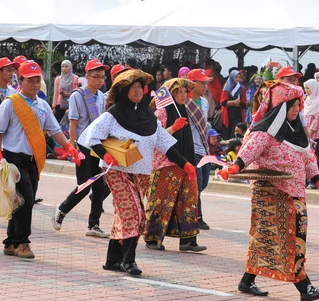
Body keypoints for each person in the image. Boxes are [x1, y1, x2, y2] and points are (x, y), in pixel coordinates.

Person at [218, 82, 319, 301]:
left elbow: (308, 158)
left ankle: (247, 280)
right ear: (281, 107)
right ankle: (304, 286)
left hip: (295, 191)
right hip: (270, 191)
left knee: (270, 236)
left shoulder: (297, 131)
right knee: (287, 237)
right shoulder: (266, 131)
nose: (297, 109)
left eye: (299, 104)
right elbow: (249, 151)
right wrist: (234, 167)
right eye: (292, 105)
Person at [78, 69, 195, 276]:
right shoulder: (112, 114)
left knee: (124, 214)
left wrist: (185, 164)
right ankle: (128, 260)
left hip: (141, 174)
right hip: (118, 172)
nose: (138, 91)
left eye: (140, 87)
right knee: (136, 214)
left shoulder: (148, 115)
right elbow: (91, 137)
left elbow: (164, 144)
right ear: (123, 90)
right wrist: (105, 156)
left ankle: (112, 260)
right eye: (133, 87)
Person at [0, 61, 81, 258]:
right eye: (30, 80)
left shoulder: (42, 105)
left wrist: (68, 147)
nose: (34, 84)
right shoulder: (10, 103)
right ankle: (23, 242)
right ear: (20, 80)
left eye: (37, 80)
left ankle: (10, 242)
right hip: (13, 159)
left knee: (21, 200)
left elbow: (54, 130)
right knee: (27, 199)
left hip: (34, 159)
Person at [145, 78, 206, 251]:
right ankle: (152, 238)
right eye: (179, 92)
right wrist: (173, 128)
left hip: (186, 162)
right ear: (171, 94)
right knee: (161, 202)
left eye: (185, 92)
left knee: (189, 201)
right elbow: (154, 137)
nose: (183, 95)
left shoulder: (184, 110)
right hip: (165, 163)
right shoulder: (162, 112)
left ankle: (188, 241)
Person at [52, 59, 111, 237]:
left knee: (99, 186)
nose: (100, 80)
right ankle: (62, 209)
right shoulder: (78, 95)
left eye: (102, 77)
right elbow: (74, 122)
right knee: (84, 185)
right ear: (87, 76)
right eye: (96, 76)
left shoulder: (101, 97)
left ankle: (93, 225)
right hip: (82, 146)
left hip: (96, 146)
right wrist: (73, 146)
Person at [187, 69, 213, 230]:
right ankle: (197, 216)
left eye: (206, 82)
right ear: (192, 83)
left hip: (203, 148)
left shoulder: (204, 102)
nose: (205, 85)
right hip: (190, 149)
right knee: (196, 184)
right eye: (201, 82)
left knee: (203, 183)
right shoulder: (185, 101)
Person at [303, 79, 319, 172]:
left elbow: (318, 120)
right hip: (306, 134)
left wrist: (309, 133)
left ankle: (315, 178)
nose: (306, 91)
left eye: (308, 88)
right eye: (305, 88)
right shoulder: (308, 100)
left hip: (314, 135)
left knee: (314, 157)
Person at [220, 70, 246, 138]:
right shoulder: (227, 87)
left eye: (239, 77)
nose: (238, 79)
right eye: (236, 77)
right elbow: (223, 102)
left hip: (238, 114)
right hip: (228, 114)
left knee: (235, 133)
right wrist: (234, 102)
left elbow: (244, 104)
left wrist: (238, 103)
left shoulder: (242, 88)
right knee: (227, 133)